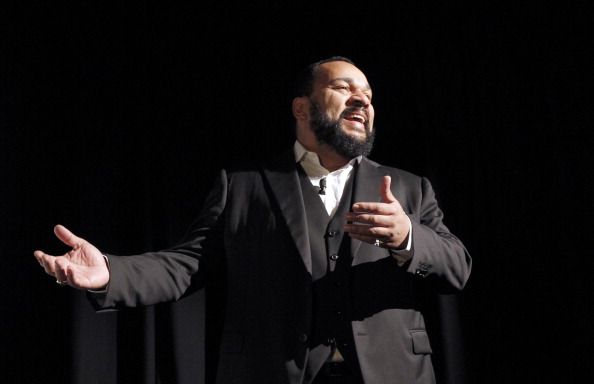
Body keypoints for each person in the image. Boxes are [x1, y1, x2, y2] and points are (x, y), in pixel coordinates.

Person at [35, 56, 471, 384]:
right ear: (302, 108)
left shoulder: (411, 188)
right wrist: (110, 271)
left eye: (370, 96)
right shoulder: (243, 186)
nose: (363, 100)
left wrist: (408, 238)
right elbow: (188, 264)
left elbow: (457, 267)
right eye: (344, 88)